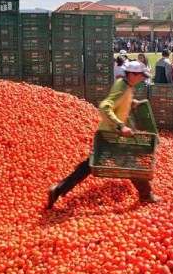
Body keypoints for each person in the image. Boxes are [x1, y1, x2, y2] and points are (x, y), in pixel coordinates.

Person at [47, 61, 162, 209]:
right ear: (131, 74)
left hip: (106, 134)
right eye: (140, 76)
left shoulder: (124, 83)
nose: (142, 79)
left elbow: (118, 100)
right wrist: (120, 125)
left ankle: (57, 190)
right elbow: (105, 106)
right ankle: (146, 195)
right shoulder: (123, 87)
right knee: (133, 166)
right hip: (113, 136)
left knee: (88, 166)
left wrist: (130, 102)